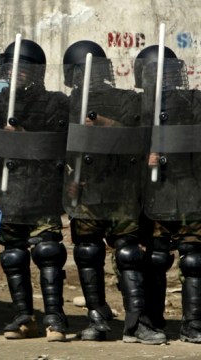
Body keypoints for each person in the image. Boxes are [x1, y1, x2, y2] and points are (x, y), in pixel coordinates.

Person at [62, 40, 165, 344]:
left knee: (129, 253)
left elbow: (136, 136)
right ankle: (97, 318)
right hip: (88, 191)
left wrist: (103, 124)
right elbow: (61, 149)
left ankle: (137, 324)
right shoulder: (67, 104)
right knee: (87, 251)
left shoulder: (126, 100)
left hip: (121, 188)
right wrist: (70, 178)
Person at [0, 39, 70, 342]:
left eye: (24, 68)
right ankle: (24, 317)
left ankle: (54, 318)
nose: (17, 73)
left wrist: (25, 138)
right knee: (12, 255)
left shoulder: (56, 102)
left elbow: (61, 145)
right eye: (12, 67)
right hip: (9, 191)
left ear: (36, 72)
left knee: (48, 251)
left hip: (42, 189)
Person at [138, 45, 201, 344]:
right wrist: (143, 156)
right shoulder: (136, 105)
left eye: (167, 73)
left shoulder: (194, 102)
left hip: (189, 189)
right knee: (156, 257)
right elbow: (121, 146)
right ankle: (151, 321)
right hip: (155, 192)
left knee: (194, 259)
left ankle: (193, 324)